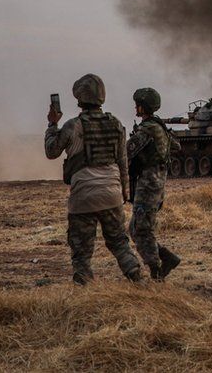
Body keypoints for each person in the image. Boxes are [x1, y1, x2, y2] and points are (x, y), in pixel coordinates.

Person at [45, 74, 143, 284]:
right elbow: (123, 161)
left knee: (81, 251)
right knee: (119, 242)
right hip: (112, 194)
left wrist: (52, 125)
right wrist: (125, 191)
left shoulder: (73, 126)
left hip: (83, 197)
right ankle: (136, 275)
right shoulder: (116, 124)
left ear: (80, 98)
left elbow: (51, 151)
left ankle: (85, 288)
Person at [127, 87, 181, 280]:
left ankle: (156, 267)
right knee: (135, 228)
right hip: (156, 182)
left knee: (141, 229)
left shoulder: (148, 128)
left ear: (144, 107)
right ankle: (165, 257)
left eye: (138, 104)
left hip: (148, 185)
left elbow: (128, 151)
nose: (135, 107)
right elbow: (176, 146)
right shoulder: (159, 127)